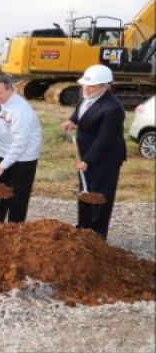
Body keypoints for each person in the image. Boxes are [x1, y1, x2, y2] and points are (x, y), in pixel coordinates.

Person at [60, 64, 126, 240]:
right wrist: (72, 120)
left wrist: (87, 160)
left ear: (105, 87)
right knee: (85, 190)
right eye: (85, 85)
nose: (87, 89)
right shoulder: (86, 95)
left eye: (92, 86)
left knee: (100, 195)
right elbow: (80, 111)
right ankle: (83, 228)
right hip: (86, 152)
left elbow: (105, 139)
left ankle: (97, 234)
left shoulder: (113, 108)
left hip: (105, 157)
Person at [0, 75, 42, 223]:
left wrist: (3, 165)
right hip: (4, 152)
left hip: (23, 158)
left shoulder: (21, 111)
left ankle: (15, 228)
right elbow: (0, 120)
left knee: (17, 196)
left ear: (11, 89)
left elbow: (19, 143)